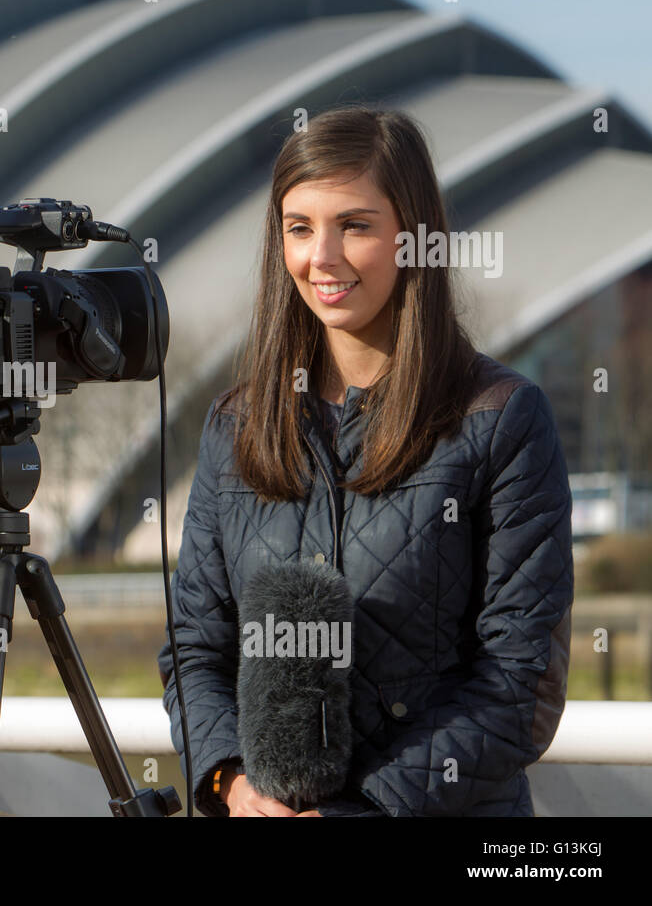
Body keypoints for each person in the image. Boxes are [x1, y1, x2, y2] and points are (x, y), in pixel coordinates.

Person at [158, 105, 574, 817]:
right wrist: (231, 782)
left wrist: (369, 810)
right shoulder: (235, 426)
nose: (322, 256)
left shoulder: (500, 417)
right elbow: (196, 649)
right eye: (299, 228)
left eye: (355, 225)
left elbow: (519, 683)